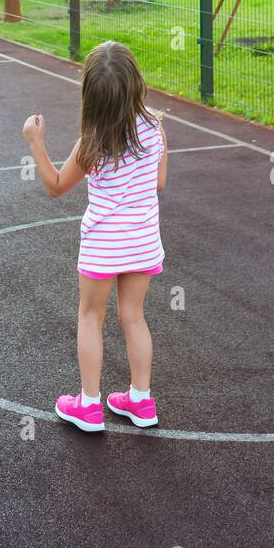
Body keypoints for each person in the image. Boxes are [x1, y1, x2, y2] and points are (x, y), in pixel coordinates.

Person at [22, 40, 167, 432]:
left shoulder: (91, 144)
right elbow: (159, 180)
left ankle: (88, 405)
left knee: (90, 316)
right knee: (134, 317)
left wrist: (36, 144)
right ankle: (141, 399)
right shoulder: (155, 129)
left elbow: (55, 186)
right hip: (142, 241)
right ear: (136, 84)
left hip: (104, 246)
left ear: (92, 95)